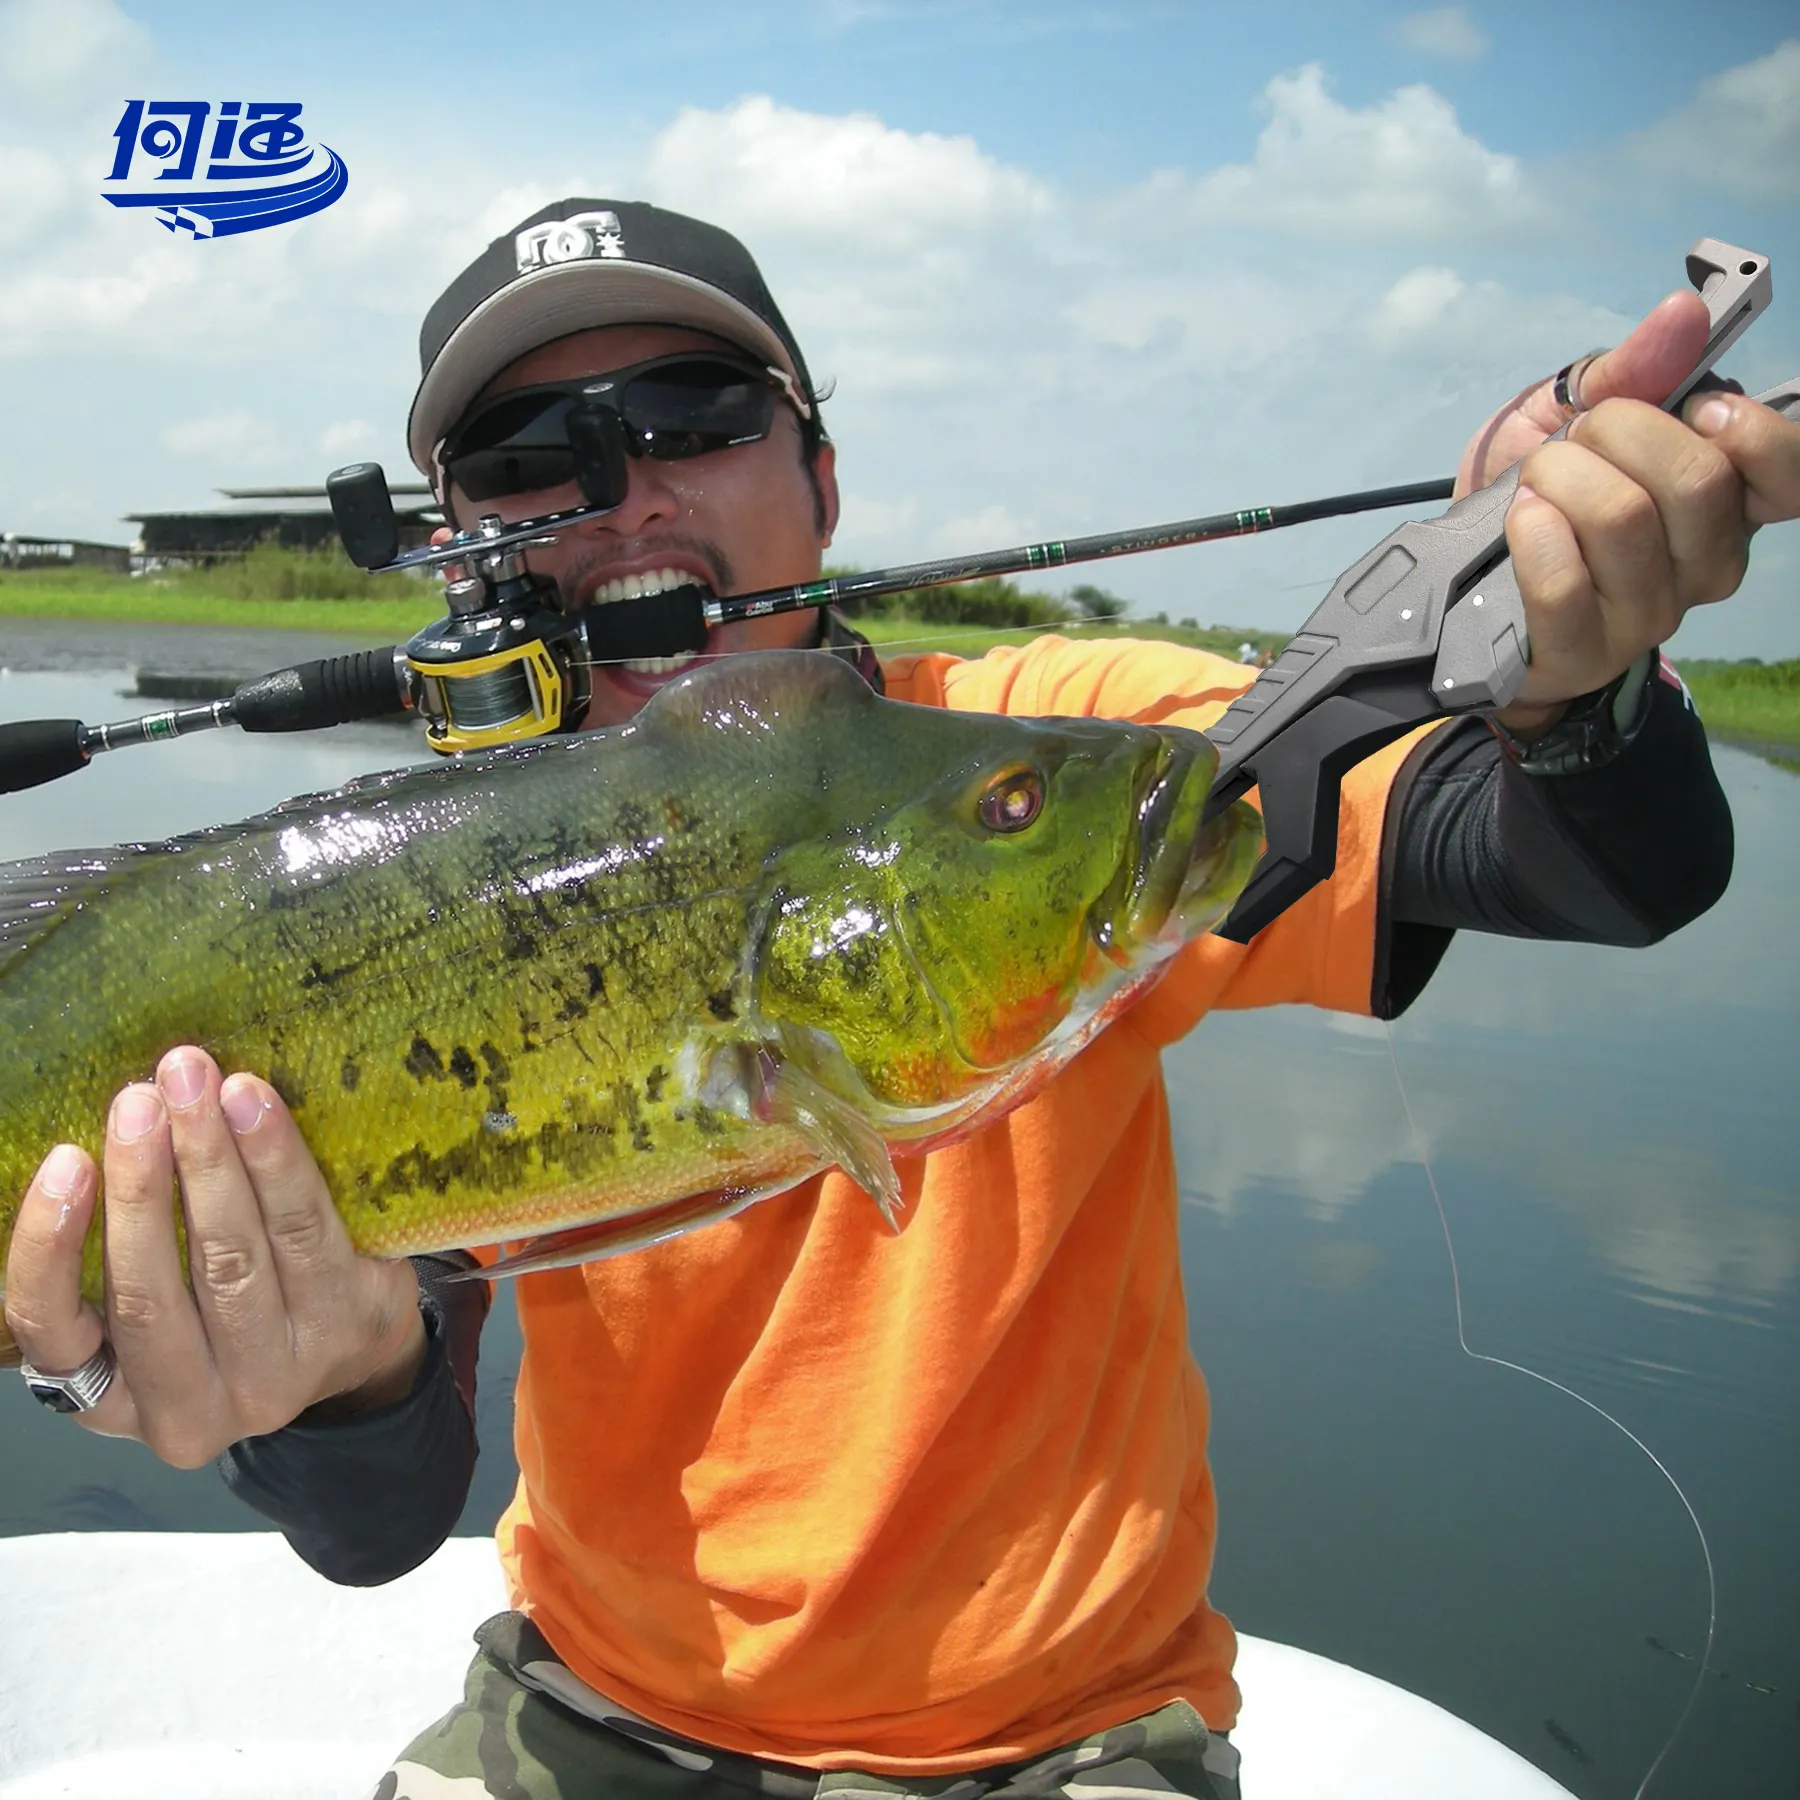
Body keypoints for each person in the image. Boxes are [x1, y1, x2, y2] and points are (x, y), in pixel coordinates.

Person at [7, 199, 1798, 1800]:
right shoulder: (429, 885)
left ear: (824, 476)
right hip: (587, 1712)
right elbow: (383, 1524)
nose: (625, 489)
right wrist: (317, 1383)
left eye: (696, 419)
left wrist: (1568, 670)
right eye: (525, 452)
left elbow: (1580, 868)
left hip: (1060, 1743)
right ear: (463, 536)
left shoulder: (1040, 746)